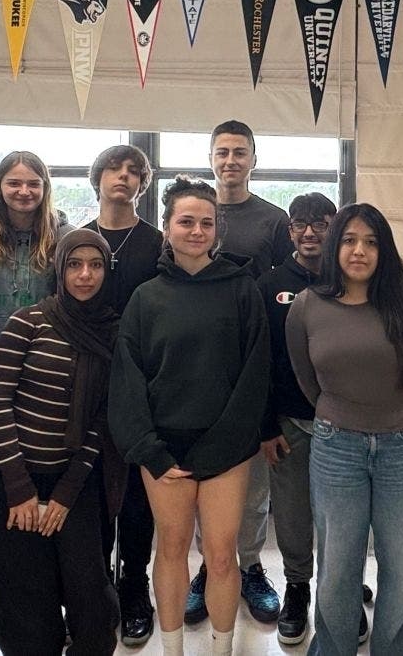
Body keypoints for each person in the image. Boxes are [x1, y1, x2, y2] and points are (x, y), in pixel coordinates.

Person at [109, 176, 270, 656]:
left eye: (206, 222)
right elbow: (128, 380)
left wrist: (225, 446)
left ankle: (222, 648)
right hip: (164, 451)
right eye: (186, 222)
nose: (196, 231)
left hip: (227, 447)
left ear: (217, 230)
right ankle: (173, 648)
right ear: (167, 228)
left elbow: (255, 374)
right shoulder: (146, 298)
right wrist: (150, 450)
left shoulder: (242, 290)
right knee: (171, 550)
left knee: (221, 557)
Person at [286, 203, 403, 656]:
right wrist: (344, 411)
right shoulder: (307, 306)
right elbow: (308, 381)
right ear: (335, 246)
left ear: (384, 249)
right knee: (337, 567)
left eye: (371, 242)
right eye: (349, 240)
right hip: (337, 447)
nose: (359, 251)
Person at [0, 228, 122, 655]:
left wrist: (64, 494)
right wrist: (20, 489)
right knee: (25, 601)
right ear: (59, 269)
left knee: (91, 601)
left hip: (69, 478)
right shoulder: (29, 321)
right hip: (4, 475)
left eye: (95, 265)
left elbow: (101, 421)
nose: (85, 275)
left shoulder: (113, 333)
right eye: (75, 265)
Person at [185, 120, 290, 627]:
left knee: (252, 485)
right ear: (211, 158)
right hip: (198, 368)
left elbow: (288, 292)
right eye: (222, 152)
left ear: (253, 160)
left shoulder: (273, 221)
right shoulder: (194, 214)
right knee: (202, 478)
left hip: (252, 365)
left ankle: (249, 568)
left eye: (239, 152)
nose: (230, 161)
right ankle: (210, 567)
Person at [80, 144, 164, 647]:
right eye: (114, 167)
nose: (124, 177)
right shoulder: (75, 240)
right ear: (98, 176)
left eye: (135, 171)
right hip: (86, 384)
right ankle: (97, 591)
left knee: (136, 497)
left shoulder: (157, 243)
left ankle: (135, 586)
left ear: (142, 184)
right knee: (91, 492)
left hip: (142, 385)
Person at [256, 192, 340, 645]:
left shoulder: (350, 279)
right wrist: (266, 426)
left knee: (342, 514)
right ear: (289, 231)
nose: (310, 233)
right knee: (291, 513)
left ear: (334, 227)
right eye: (300, 224)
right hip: (288, 422)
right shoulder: (269, 285)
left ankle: (339, 589)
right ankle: (297, 587)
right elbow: (258, 362)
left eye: (320, 223)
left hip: (344, 422)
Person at [0, 150, 74, 361]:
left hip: (49, 360)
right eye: (14, 183)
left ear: (45, 188)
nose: (24, 191)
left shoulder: (67, 239)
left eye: (34, 184)